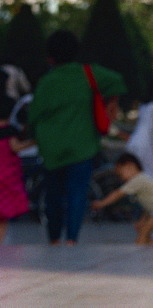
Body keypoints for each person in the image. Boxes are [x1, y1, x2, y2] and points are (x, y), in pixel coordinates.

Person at [28, 29, 126, 245]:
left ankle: (53, 238)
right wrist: (111, 103)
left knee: (53, 194)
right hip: (83, 145)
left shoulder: (47, 81)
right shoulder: (88, 73)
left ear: (50, 55)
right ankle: (72, 238)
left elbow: (33, 115)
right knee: (77, 194)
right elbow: (117, 80)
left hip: (51, 148)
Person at [91, 152, 153, 245]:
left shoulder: (137, 180)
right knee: (144, 229)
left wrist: (101, 203)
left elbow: (118, 193)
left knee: (145, 230)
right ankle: (150, 249)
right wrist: (142, 220)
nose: (122, 179)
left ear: (130, 166)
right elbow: (149, 207)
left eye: (121, 175)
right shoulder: (142, 179)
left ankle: (138, 251)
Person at [123, 73, 153, 181]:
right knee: (152, 176)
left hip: (134, 141)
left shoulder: (144, 105)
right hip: (147, 145)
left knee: (137, 176)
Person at [0, 93, 31, 243]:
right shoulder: (9, 131)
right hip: (6, 176)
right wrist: (35, 142)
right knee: (3, 215)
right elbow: (16, 147)